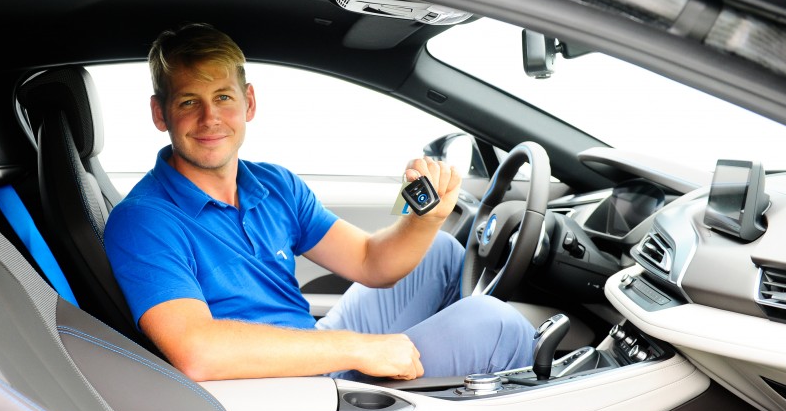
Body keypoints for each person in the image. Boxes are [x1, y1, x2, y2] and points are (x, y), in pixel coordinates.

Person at [105, 23, 535, 382]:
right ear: (160, 114)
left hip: (309, 348)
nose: (210, 118)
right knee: (493, 325)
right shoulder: (143, 221)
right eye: (187, 102)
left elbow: (370, 260)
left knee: (438, 251)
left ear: (248, 102)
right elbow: (195, 352)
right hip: (281, 392)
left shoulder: (274, 184)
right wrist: (358, 349)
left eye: (222, 97)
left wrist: (427, 218)